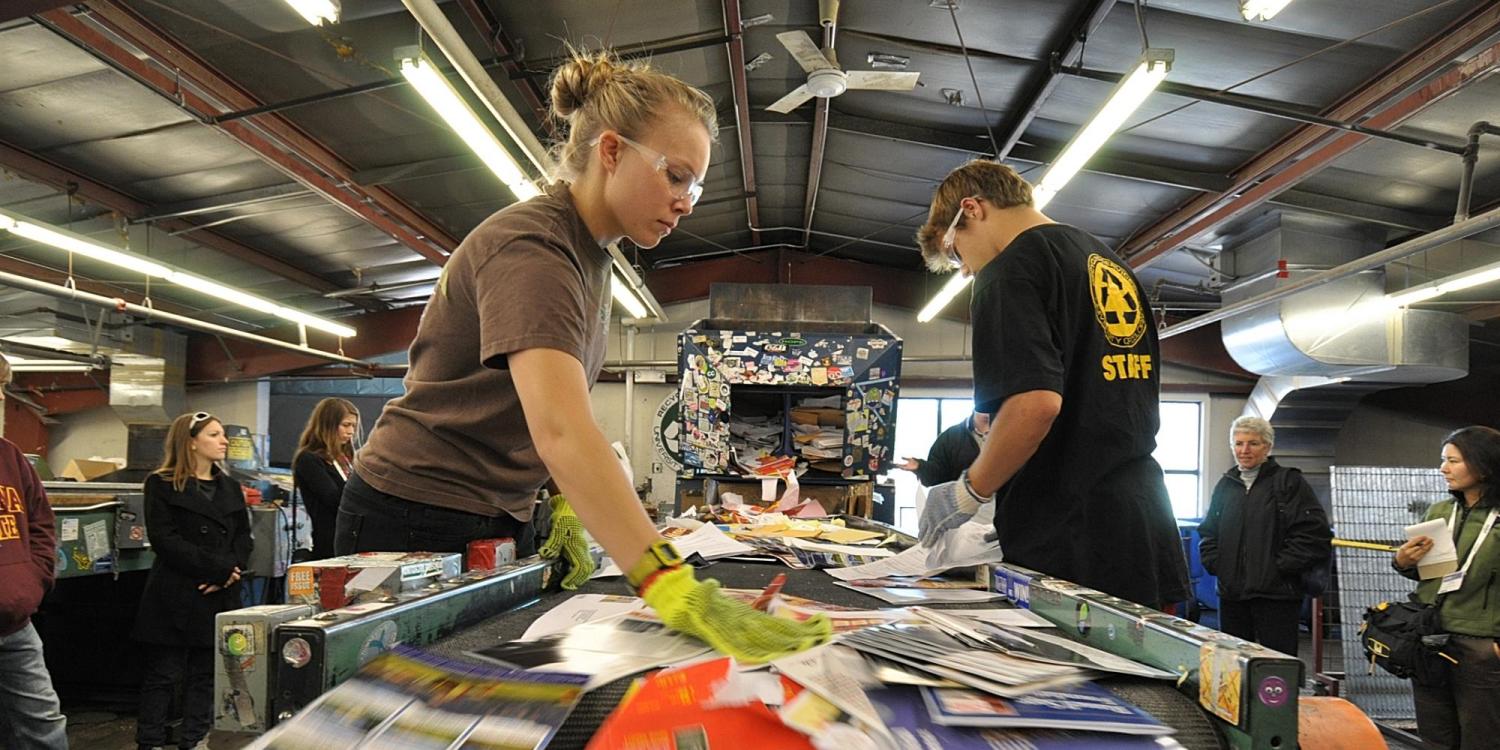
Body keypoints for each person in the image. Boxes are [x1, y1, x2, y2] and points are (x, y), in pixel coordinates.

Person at [337, 49, 829, 663]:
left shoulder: (592, 254)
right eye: (675, 174)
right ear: (612, 150)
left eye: (696, 184)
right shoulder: (535, 248)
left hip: (490, 511)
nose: (688, 201)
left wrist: (561, 499)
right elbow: (563, 430)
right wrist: (670, 585)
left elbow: (539, 408)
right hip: (415, 513)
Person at [913, 160, 1189, 611]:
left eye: (957, 251)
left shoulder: (1008, 270)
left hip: (1070, 533)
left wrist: (970, 491)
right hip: (1142, 521)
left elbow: (1034, 404)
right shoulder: (1110, 262)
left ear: (973, 209)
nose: (965, 270)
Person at [132, 411, 252, 750]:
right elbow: (165, 539)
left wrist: (229, 573)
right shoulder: (162, 483)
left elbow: (244, 538)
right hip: (175, 594)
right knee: (164, 675)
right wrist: (216, 570)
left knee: (207, 675)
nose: (224, 440)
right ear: (191, 442)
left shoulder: (230, 487)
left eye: (222, 434)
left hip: (219, 594)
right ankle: (150, 741)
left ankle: (195, 739)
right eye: (214, 434)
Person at [1392, 426, 1500, 750]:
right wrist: (1404, 561)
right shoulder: (1440, 512)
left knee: (1482, 738)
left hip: (1481, 647)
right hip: (1430, 638)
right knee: (1435, 737)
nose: (1443, 468)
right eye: (1443, 460)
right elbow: (1433, 578)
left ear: (1484, 465)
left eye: (1453, 461)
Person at [1198, 416, 1332, 656]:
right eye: (1238, 444)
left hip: (1277, 595)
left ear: (1268, 447)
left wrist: (1279, 568)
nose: (1244, 450)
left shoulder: (1289, 483)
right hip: (1232, 594)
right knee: (1233, 664)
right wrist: (1218, 564)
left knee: (1276, 666)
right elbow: (1209, 532)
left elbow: (1313, 533)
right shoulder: (1226, 485)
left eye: (1253, 443)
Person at [0, 353, 68, 749]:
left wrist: (33, 580)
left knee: (44, 727)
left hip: (15, 625)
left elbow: (41, 524)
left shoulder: (10, 456)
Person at [292, 398, 359, 560]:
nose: (351, 431)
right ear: (328, 424)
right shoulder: (309, 459)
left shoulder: (347, 458)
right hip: (329, 544)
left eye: (353, 426)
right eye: (346, 425)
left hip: (353, 540)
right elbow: (334, 499)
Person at [896, 411, 990, 486]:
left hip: (1000, 506)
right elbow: (937, 477)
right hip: (961, 506)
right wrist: (921, 467)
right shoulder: (951, 436)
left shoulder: (1004, 435)